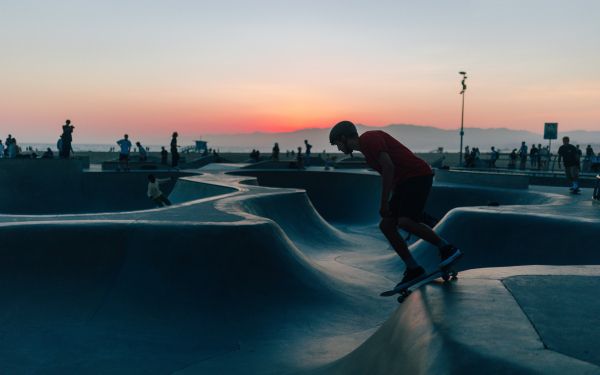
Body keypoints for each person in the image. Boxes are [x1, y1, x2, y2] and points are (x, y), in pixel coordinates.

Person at [329, 120, 461, 289]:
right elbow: (391, 176)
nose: (339, 149)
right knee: (386, 225)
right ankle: (414, 269)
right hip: (403, 184)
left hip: (417, 175)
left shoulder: (370, 138)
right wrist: (393, 205)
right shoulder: (368, 155)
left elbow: (388, 167)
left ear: (343, 138)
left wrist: (384, 203)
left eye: (337, 144)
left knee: (405, 221)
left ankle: (447, 248)